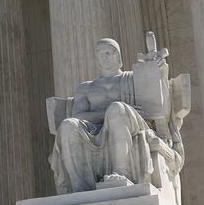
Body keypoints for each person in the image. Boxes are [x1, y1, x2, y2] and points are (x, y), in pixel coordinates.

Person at [49, 39, 157, 194]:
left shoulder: (133, 79)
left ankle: (121, 172)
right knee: (67, 125)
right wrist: (106, 113)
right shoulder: (86, 87)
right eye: (100, 55)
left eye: (107, 53)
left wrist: (155, 68)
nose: (103, 57)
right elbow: (78, 115)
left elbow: (154, 100)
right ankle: (80, 185)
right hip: (94, 129)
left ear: (118, 57)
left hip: (129, 123)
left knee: (117, 109)